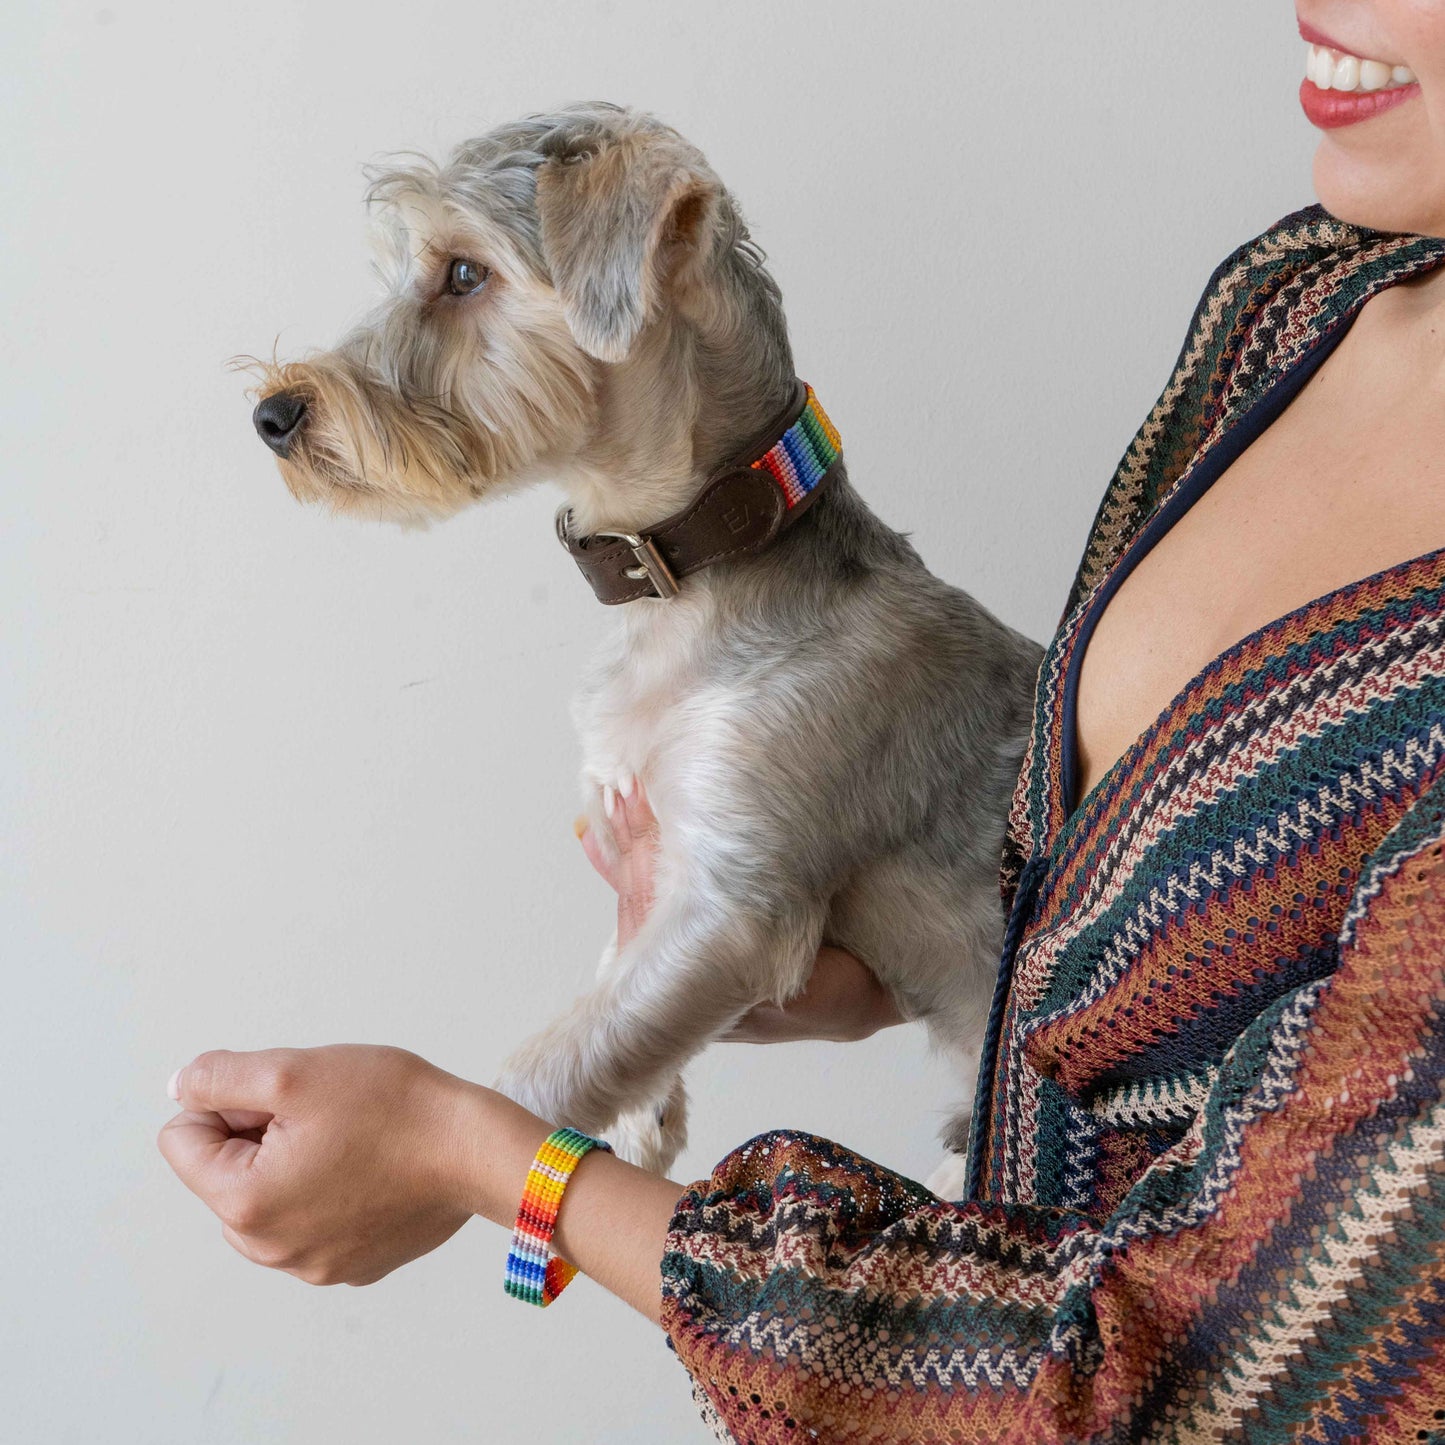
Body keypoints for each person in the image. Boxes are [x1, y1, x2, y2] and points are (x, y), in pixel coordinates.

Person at [158, 6, 1445, 1438]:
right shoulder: (1295, 301)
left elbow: (1177, 1369)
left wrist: (478, 1153)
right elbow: (1155, 881)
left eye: (462, 279)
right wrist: (911, 944)